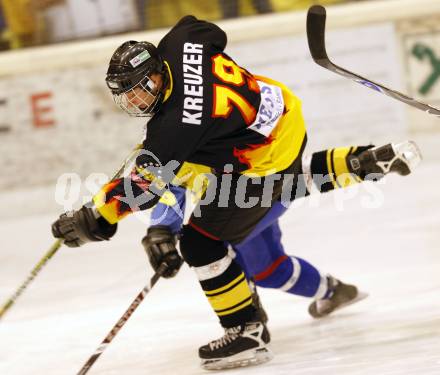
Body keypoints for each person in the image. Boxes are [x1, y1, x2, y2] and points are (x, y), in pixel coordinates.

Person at [51, 16, 422, 370]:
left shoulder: (175, 128)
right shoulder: (179, 43)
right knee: (266, 187)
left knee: (201, 243)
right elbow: (207, 29)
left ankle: (247, 331)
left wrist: (95, 217)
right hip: (283, 114)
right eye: (127, 96)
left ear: (155, 76)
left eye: (138, 91)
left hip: (262, 158)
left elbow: (144, 187)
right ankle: (363, 162)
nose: (134, 102)